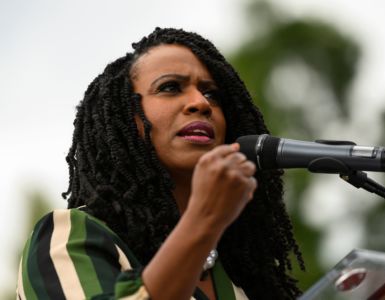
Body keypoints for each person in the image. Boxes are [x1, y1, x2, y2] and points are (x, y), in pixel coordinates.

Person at [17, 27, 304, 300]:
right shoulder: (71, 236)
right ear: (126, 120)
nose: (200, 103)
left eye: (211, 94)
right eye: (170, 87)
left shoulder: (243, 271)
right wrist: (204, 219)